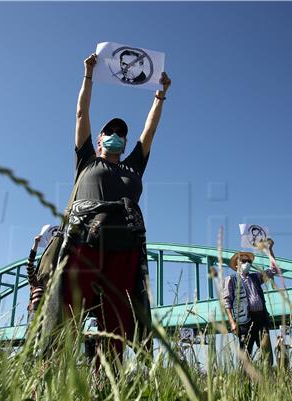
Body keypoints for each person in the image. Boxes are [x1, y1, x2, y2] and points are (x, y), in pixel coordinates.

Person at [43, 52, 171, 368]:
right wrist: (88, 75)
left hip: (124, 249)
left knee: (115, 323)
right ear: (99, 139)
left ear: (125, 143)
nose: (116, 135)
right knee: (67, 312)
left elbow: (150, 131)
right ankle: (50, 381)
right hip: (84, 242)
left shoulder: (133, 168)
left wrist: (160, 96)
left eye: (121, 134)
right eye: (110, 132)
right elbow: (80, 113)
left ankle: (107, 383)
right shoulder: (86, 160)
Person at [224, 239, 283, 367]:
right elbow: (227, 301)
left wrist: (269, 249)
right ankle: (245, 383)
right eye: (244, 261)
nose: (247, 263)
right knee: (245, 355)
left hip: (261, 318)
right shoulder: (231, 280)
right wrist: (232, 322)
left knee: (266, 351)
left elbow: (274, 270)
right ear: (237, 264)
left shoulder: (256, 277)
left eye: (249, 261)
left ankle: (266, 380)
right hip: (244, 320)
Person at [25, 233, 45, 324]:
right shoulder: (34, 282)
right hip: (35, 315)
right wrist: (36, 243)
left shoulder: (52, 283)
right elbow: (30, 263)